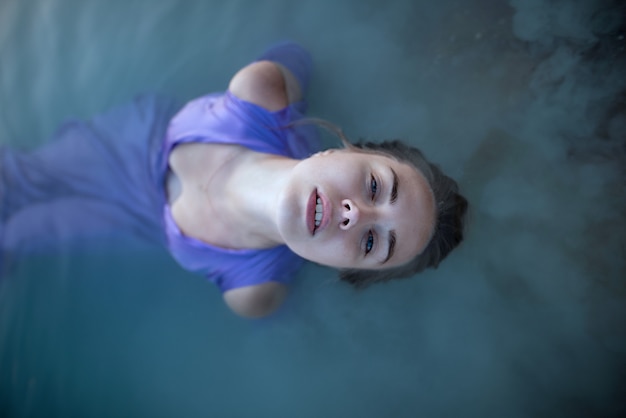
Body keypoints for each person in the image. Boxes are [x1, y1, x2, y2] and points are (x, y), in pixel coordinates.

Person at [0, 42, 467, 318]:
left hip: (136, 222)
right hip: (135, 140)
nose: (356, 214)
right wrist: (304, 66)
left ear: (340, 269)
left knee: (16, 237)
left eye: (370, 245)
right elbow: (292, 56)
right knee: (16, 174)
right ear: (346, 151)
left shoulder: (254, 289)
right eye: (374, 188)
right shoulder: (261, 92)